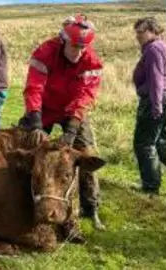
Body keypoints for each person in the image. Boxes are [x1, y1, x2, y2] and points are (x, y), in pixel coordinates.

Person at [18, 15, 105, 230]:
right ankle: (21, 200)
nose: (79, 52)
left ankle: (91, 208)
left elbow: (85, 94)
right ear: (64, 40)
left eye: (83, 47)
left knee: (86, 152)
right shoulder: (45, 52)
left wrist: (74, 125)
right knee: (23, 143)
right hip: (44, 107)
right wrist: (36, 121)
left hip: (72, 110)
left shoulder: (91, 61)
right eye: (75, 46)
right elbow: (34, 88)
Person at [131, 17, 166, 195]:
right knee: (160, 142)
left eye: (141, 31)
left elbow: (156, 80)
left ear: (153, 31)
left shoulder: (153, 49)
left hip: (156, 100)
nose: (138, 36)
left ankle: (151, 187)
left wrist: (156, 106)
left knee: (144, 144)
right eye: (136, 32)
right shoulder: (161, 46)